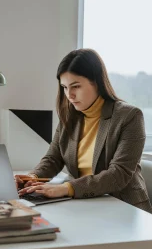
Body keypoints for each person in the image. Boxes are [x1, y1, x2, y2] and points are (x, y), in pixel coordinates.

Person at [15, 48, 152, 213]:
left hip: (124, 207)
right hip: (85, 204)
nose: (69, 95)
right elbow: (53, 158)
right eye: (64, 87)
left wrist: (66, 188)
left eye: (76, 86)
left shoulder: (129, 116)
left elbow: (118, 174)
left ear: (97, 82)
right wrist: (32, 177)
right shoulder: (70, 116)